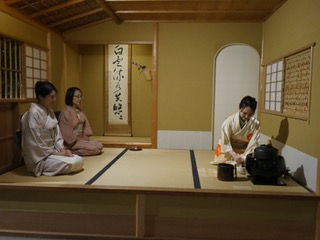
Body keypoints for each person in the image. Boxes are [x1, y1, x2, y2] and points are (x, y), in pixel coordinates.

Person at [21, 81, 83, 176]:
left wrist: (61, 150)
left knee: (79, 159)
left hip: (53, 153)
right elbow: (35, 144)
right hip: (39, 158)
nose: (54, 100)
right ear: (41, 97)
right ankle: (43, 167)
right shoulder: (32, 114)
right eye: (51, 97)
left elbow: (57, 135)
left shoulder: (50, 111)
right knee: (73, 163)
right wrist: (58, 154)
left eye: (55, 96)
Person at [210, 96, 260, 165]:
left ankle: (243, 159)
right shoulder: (229, 122)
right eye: (244, 113)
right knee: (225, 163)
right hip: (229, 152)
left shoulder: (255, 124)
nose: (247, 117)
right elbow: (225, 141)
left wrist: (245, 156)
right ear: (240, 108)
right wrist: (234, 155)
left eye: (250, 114)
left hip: (244, 151)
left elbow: (253, 143)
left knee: (251, 160)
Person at [59, 87, 103, 156]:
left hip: (81, 139)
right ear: (70, 96)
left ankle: (79, 149)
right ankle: (70, 151)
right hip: (72, 142)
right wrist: (75, 140)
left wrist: (84, 138)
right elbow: (66, 133)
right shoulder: (65, 112)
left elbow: (86, 126)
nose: (80, 99)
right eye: (77, 96)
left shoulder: (79, 110)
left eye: (81, 96)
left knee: (99, 145)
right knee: (94, 149)